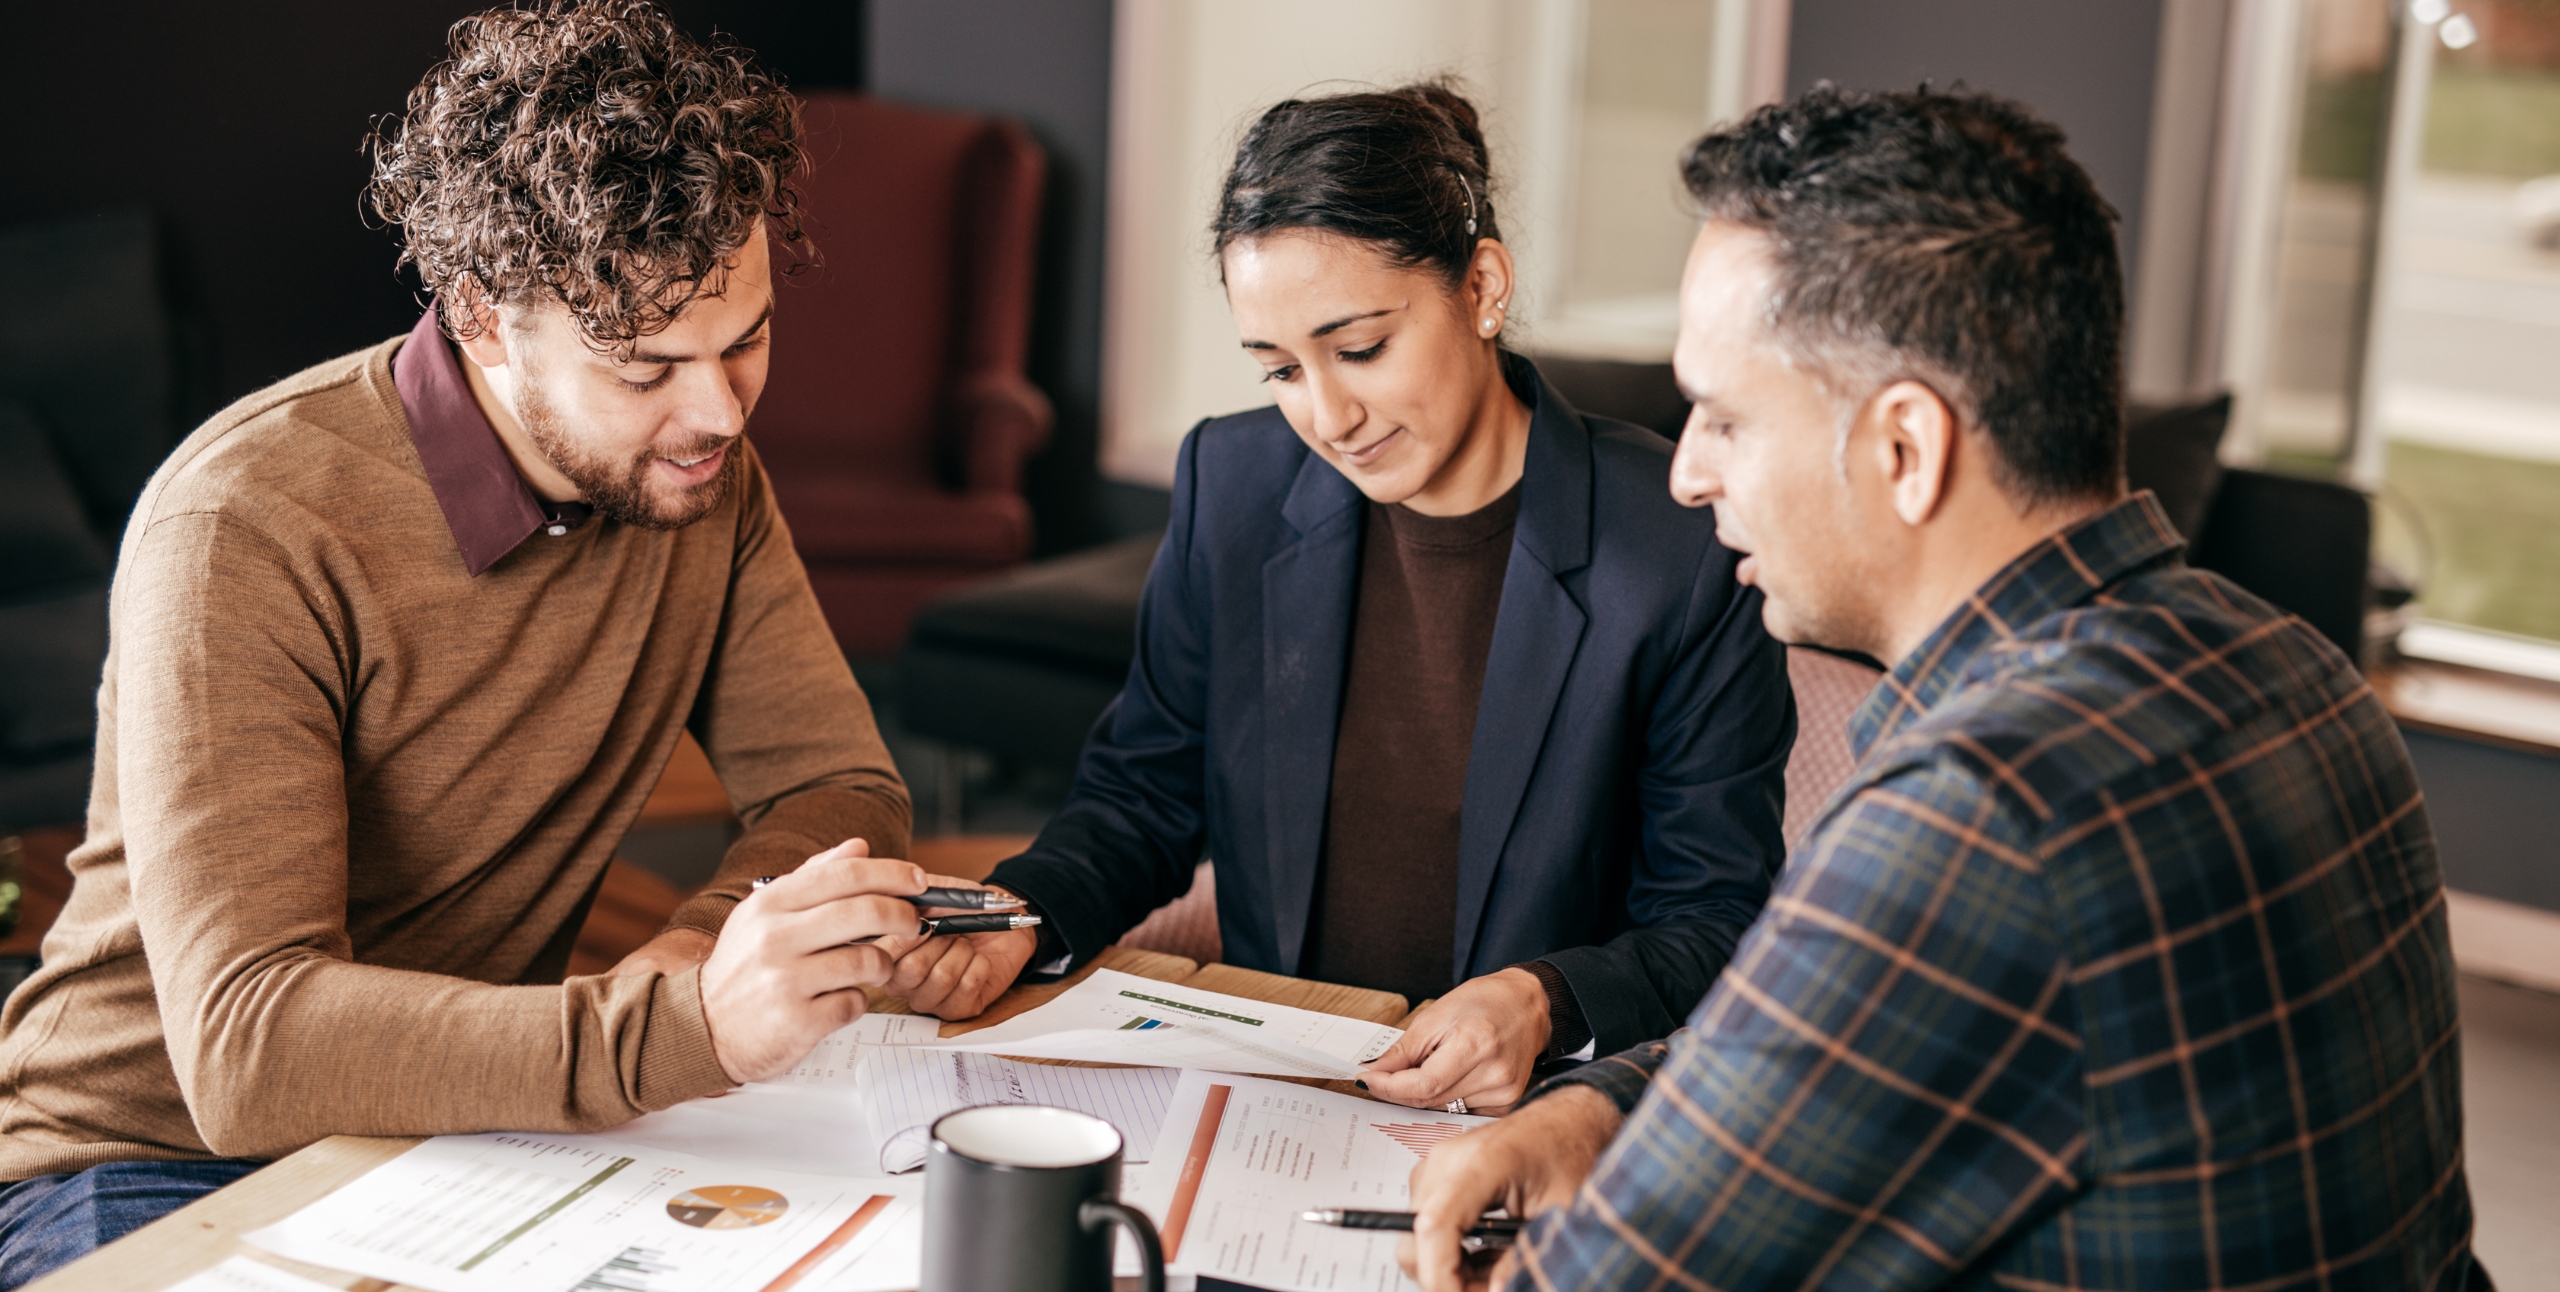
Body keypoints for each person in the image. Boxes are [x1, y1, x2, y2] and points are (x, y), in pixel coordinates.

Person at [1402, 87, 2484, 1290]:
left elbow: (1605, 1278)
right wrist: (1603, 1106)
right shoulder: (2287, 663)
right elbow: (1847, 1039)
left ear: (1904, 448)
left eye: (1723, 418)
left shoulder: (1984, 806)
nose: (1689, 476)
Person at [0, 4, 967, 1283]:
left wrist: (705, 942)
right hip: (143, 1157)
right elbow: (249, 1047)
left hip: (466, 1130)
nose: (717, 411)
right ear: (479, 312)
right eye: (644, 368)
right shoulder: (247, 518)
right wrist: (680, 1024)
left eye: (747, 341)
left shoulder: (704, 479)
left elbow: (835, 785)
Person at [880, 83, 1795, 1115]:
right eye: (1279, 369)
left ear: (1482, 285)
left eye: (1359, 348)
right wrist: (1027, 909)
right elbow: (1143, 792)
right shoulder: (1234, 485)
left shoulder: (1676, 542)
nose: (1327, 414)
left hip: (1534, 1115)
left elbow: (1716, 911)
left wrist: (1546, 998)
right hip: (1281, 1091)